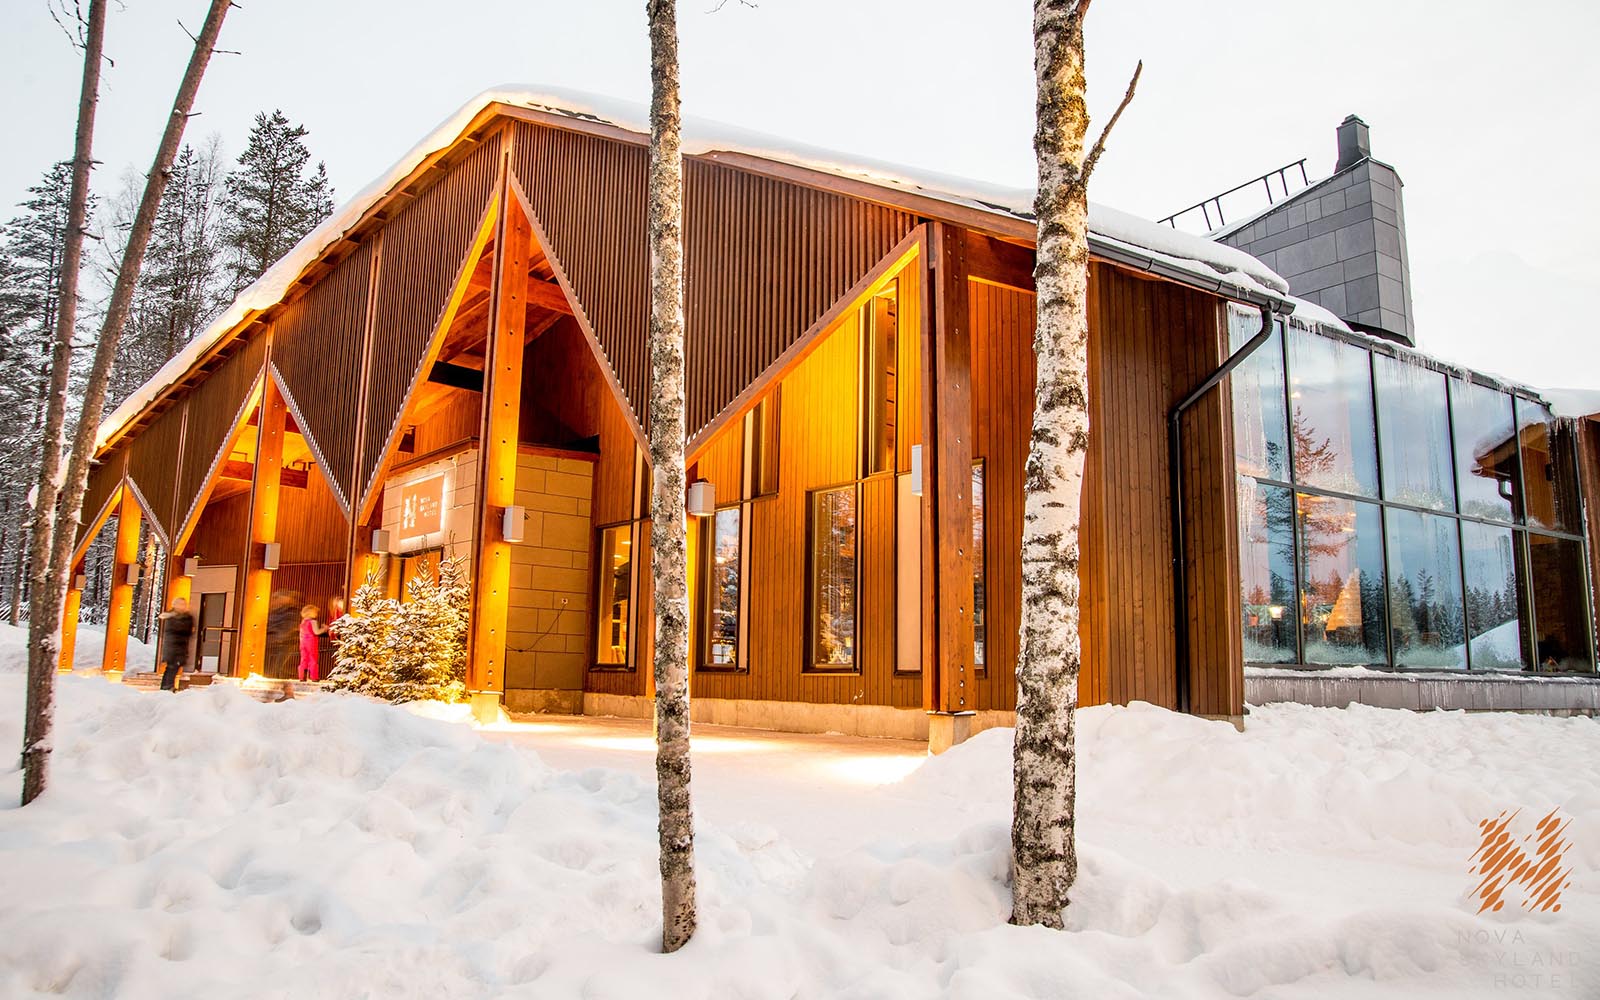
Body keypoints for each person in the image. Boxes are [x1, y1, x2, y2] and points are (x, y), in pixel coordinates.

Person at [157, 597, 195, 691]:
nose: (182, 607)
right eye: (180, 604)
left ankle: (167, 686)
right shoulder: (173, 618)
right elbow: (182, 630)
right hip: (174, 647)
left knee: (172, 667)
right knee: (172, 667)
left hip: (179, 646)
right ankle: (168, 686)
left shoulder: (183, 617)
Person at [297, 604, 330, 682]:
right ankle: (314, 677)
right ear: (311, 612)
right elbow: (316, 632)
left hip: (303, 642)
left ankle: (302, 676)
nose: (316, 614)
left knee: (304, 659)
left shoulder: (303, 622)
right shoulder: (313, 621)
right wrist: (324, 629)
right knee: (313, 659)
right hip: (311, 642)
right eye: (315, 612)